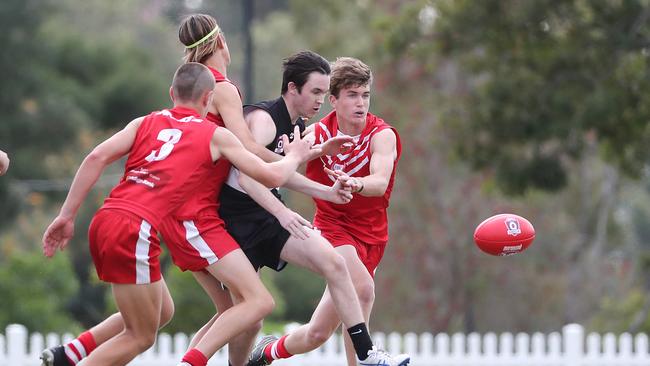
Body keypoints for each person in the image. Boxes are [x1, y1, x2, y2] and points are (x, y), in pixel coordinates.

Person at [41, 62, 315, 366]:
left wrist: (66, 216)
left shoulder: (145, 121)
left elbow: (96, 156)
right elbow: (271, 176)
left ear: (172, 93)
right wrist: (294, 156)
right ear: (209, 99)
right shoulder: (215, 135)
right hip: (137, 229)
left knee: (163, 311)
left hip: (106, 220)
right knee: (141, 336)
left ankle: (72, 353)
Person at [221, 51, 409, 366]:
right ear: (335, 101)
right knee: (362, 289)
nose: (361, 103)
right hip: (333, 227)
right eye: (352, 95)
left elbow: (379, 183)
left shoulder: (382, 134)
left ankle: (266, 352)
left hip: (373, 235)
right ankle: (366, 358)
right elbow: (278, 162)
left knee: (318, 333)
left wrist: (354, 183)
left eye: (365, 95)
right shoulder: (315, 131)